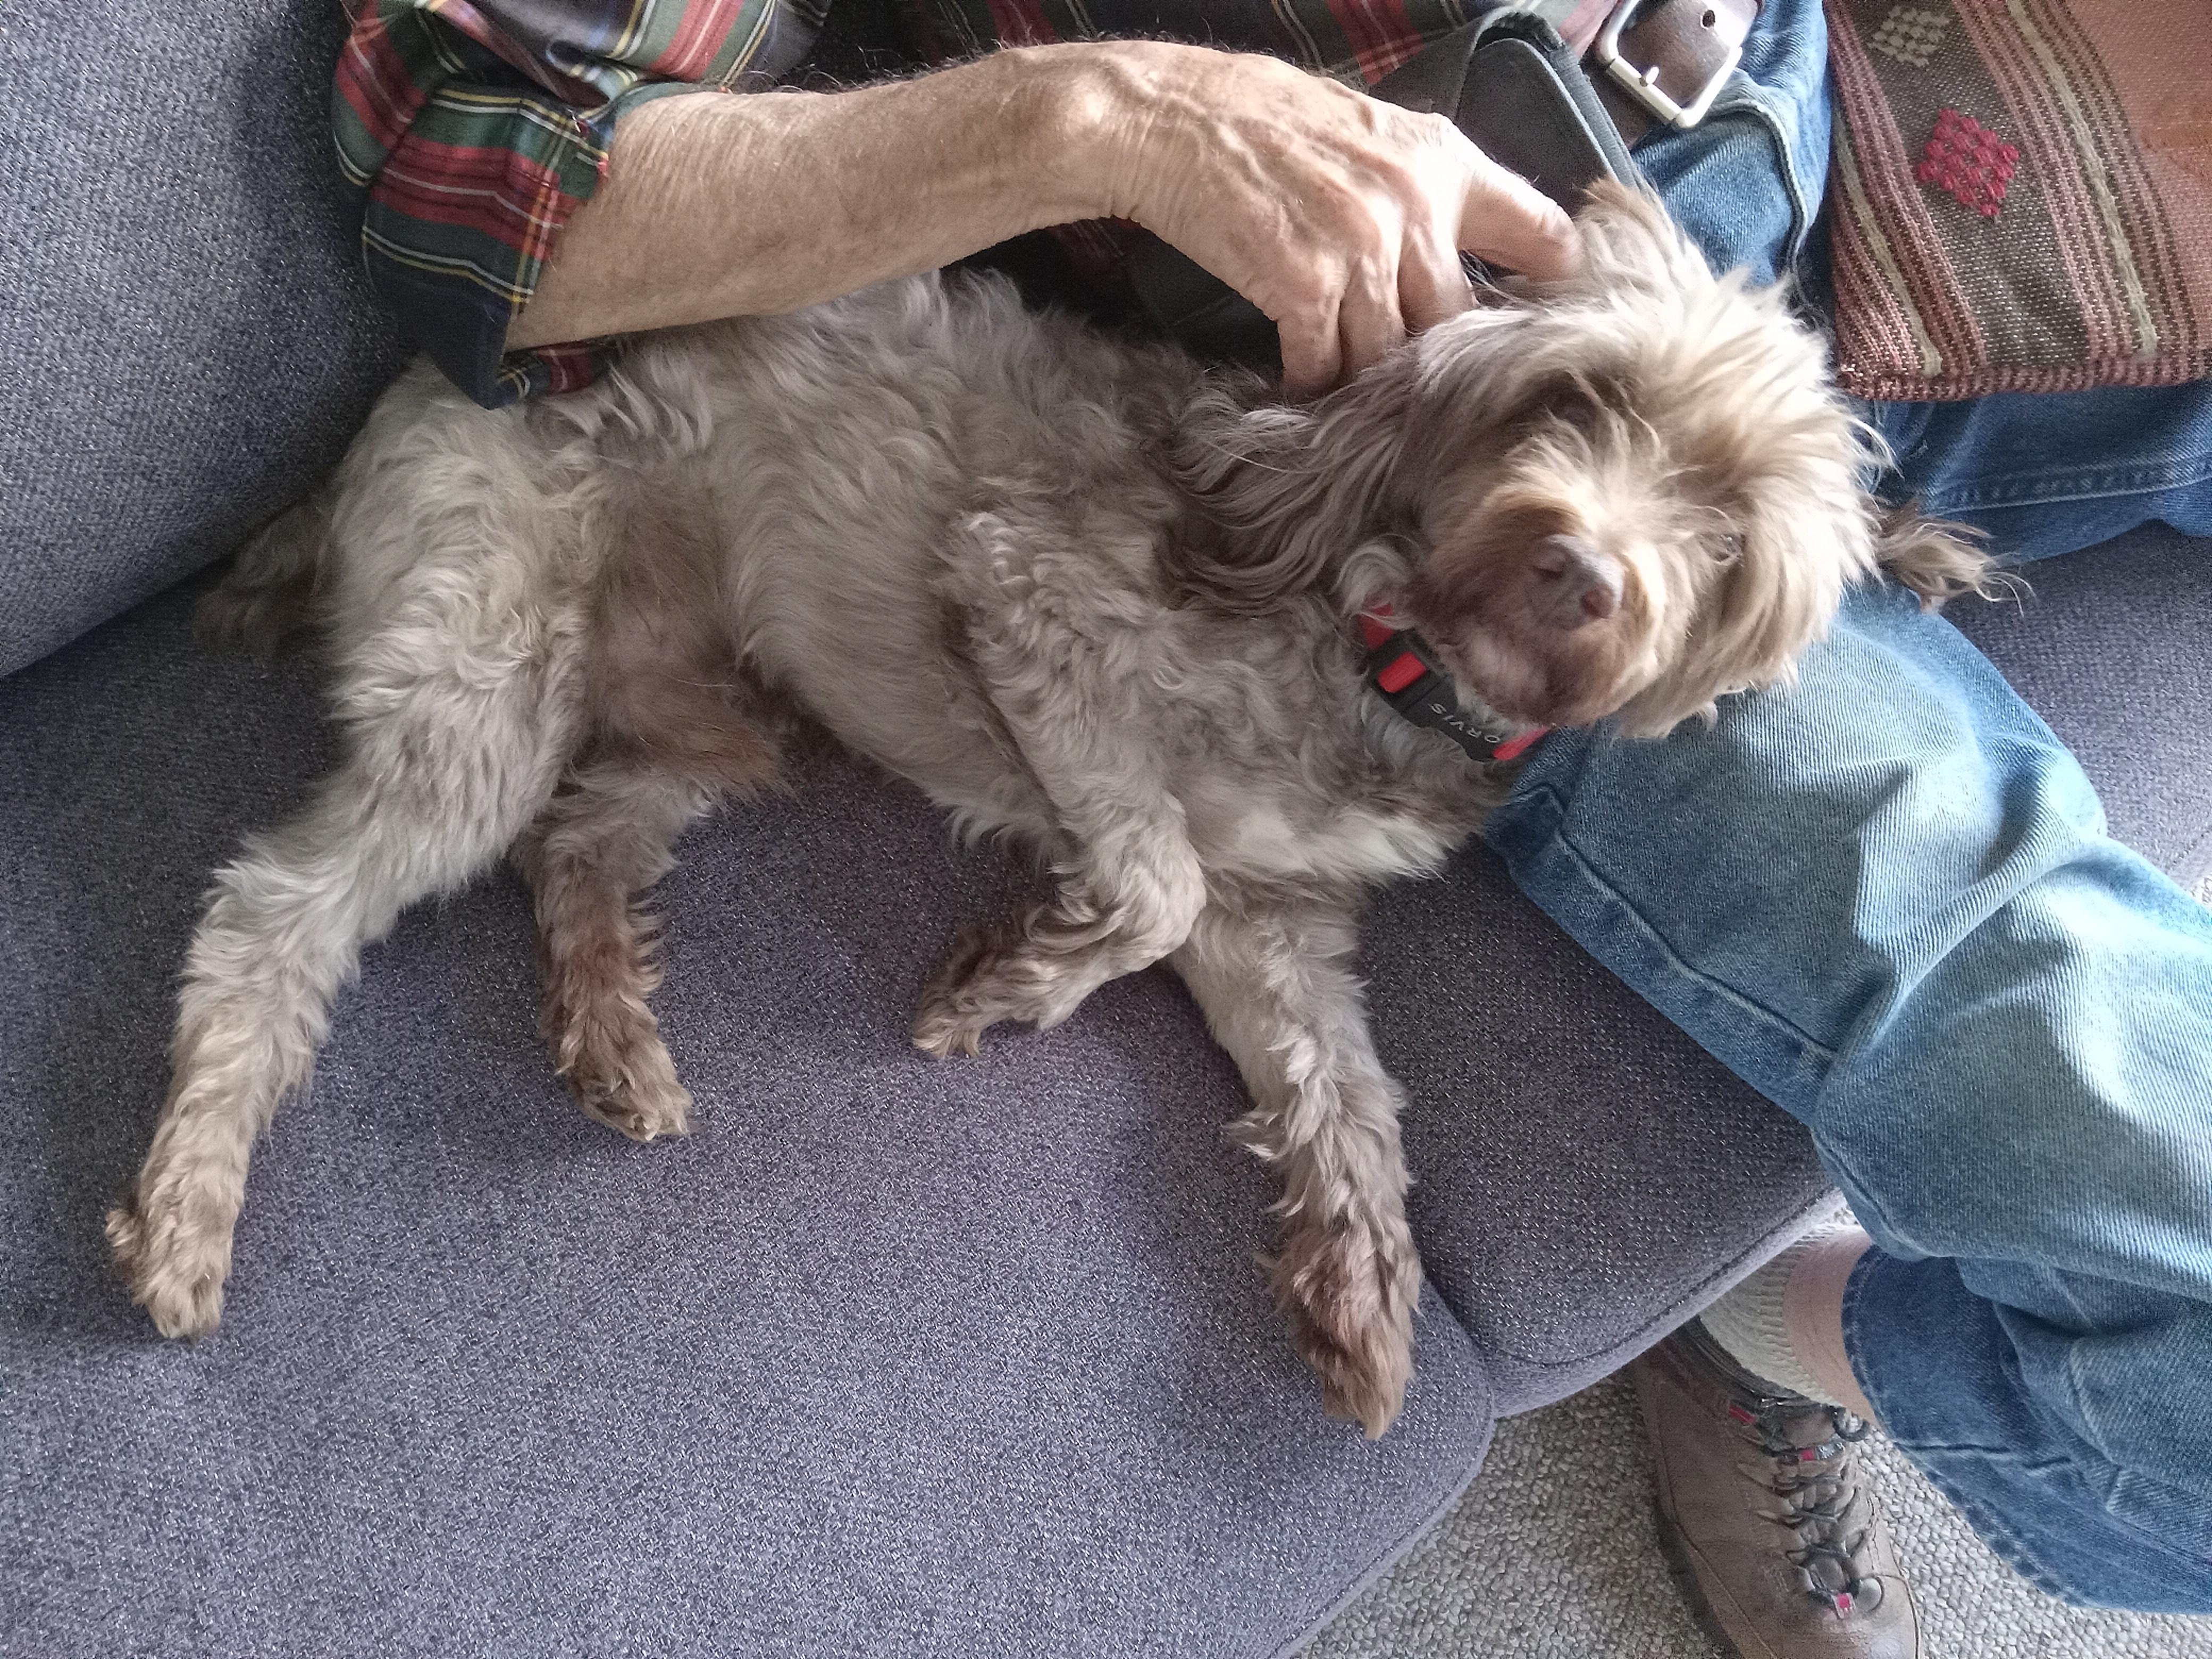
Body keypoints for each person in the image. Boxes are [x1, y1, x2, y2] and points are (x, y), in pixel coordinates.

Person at [334, 0, 2212, 1652]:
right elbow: (476, 158)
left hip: (1894, 161)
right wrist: (1107, 116)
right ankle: (1777, 1337)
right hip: (1465, 430)